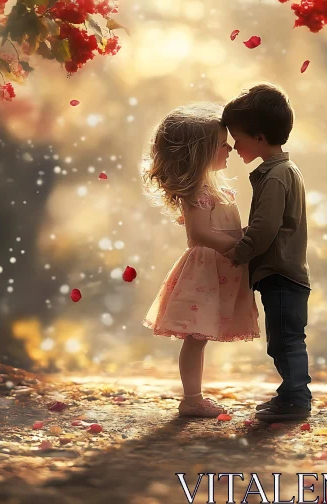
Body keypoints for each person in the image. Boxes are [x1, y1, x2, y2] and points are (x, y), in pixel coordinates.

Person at [140, 102, 260, 418]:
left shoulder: (216, 188)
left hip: (218, 271)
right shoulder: (199, 191)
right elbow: (200, 234)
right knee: (196, 338)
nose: (230, 148)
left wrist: (247, 234)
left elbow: (221, 228)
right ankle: (191, 398)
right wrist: (239, 246)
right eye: (223, 145)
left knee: (200, 338)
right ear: (202, 152)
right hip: (205, 272)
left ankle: (193, 397)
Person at [221, 83, 312, 423]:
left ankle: (296, 400)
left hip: (281, 273)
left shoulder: (276, 176)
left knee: (286, 341)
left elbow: (264, 229)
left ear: (259, 137)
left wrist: (238, 252)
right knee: (284, 339)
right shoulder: (281, 172)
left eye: (237, 137)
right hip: (283, 274)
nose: (233, 145)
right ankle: (290, 395)